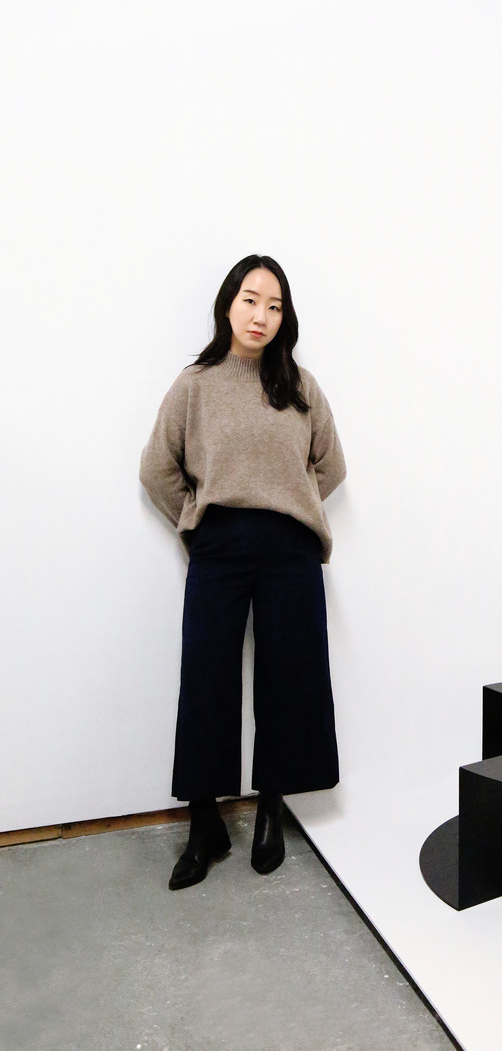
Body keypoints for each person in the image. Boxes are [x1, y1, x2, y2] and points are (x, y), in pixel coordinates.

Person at [140, 254, 346, 890]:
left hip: (289, 549)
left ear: (285, 318)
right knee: (206, 677)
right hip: (219, 547)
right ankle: (204, 821)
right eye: (251, 300)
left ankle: (270, 809)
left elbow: (331, 467)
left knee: (290, 677)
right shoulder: (196, 384)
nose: (262, 315)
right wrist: (196, 524)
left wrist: (293, 504)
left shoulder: (301, 386)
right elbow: (157, 469)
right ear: (228, 305)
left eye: (275, 305)